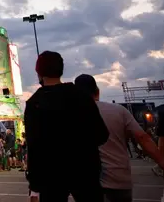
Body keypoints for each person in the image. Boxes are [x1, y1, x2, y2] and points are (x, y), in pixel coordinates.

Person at [25, 51, 109, 201]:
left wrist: (34, 184)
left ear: (39, 72)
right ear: (61, 69)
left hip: (51, 175)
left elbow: (34, 147)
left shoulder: (34, 103)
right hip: (85, 169)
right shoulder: (81, 96)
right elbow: (102, 134)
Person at [75, 74, 164, 202]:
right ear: (97, 91)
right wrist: (163, 163)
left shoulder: (70, 115)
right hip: (118, 179)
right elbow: (142, 137)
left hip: (86, 182)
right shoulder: (118, 110)